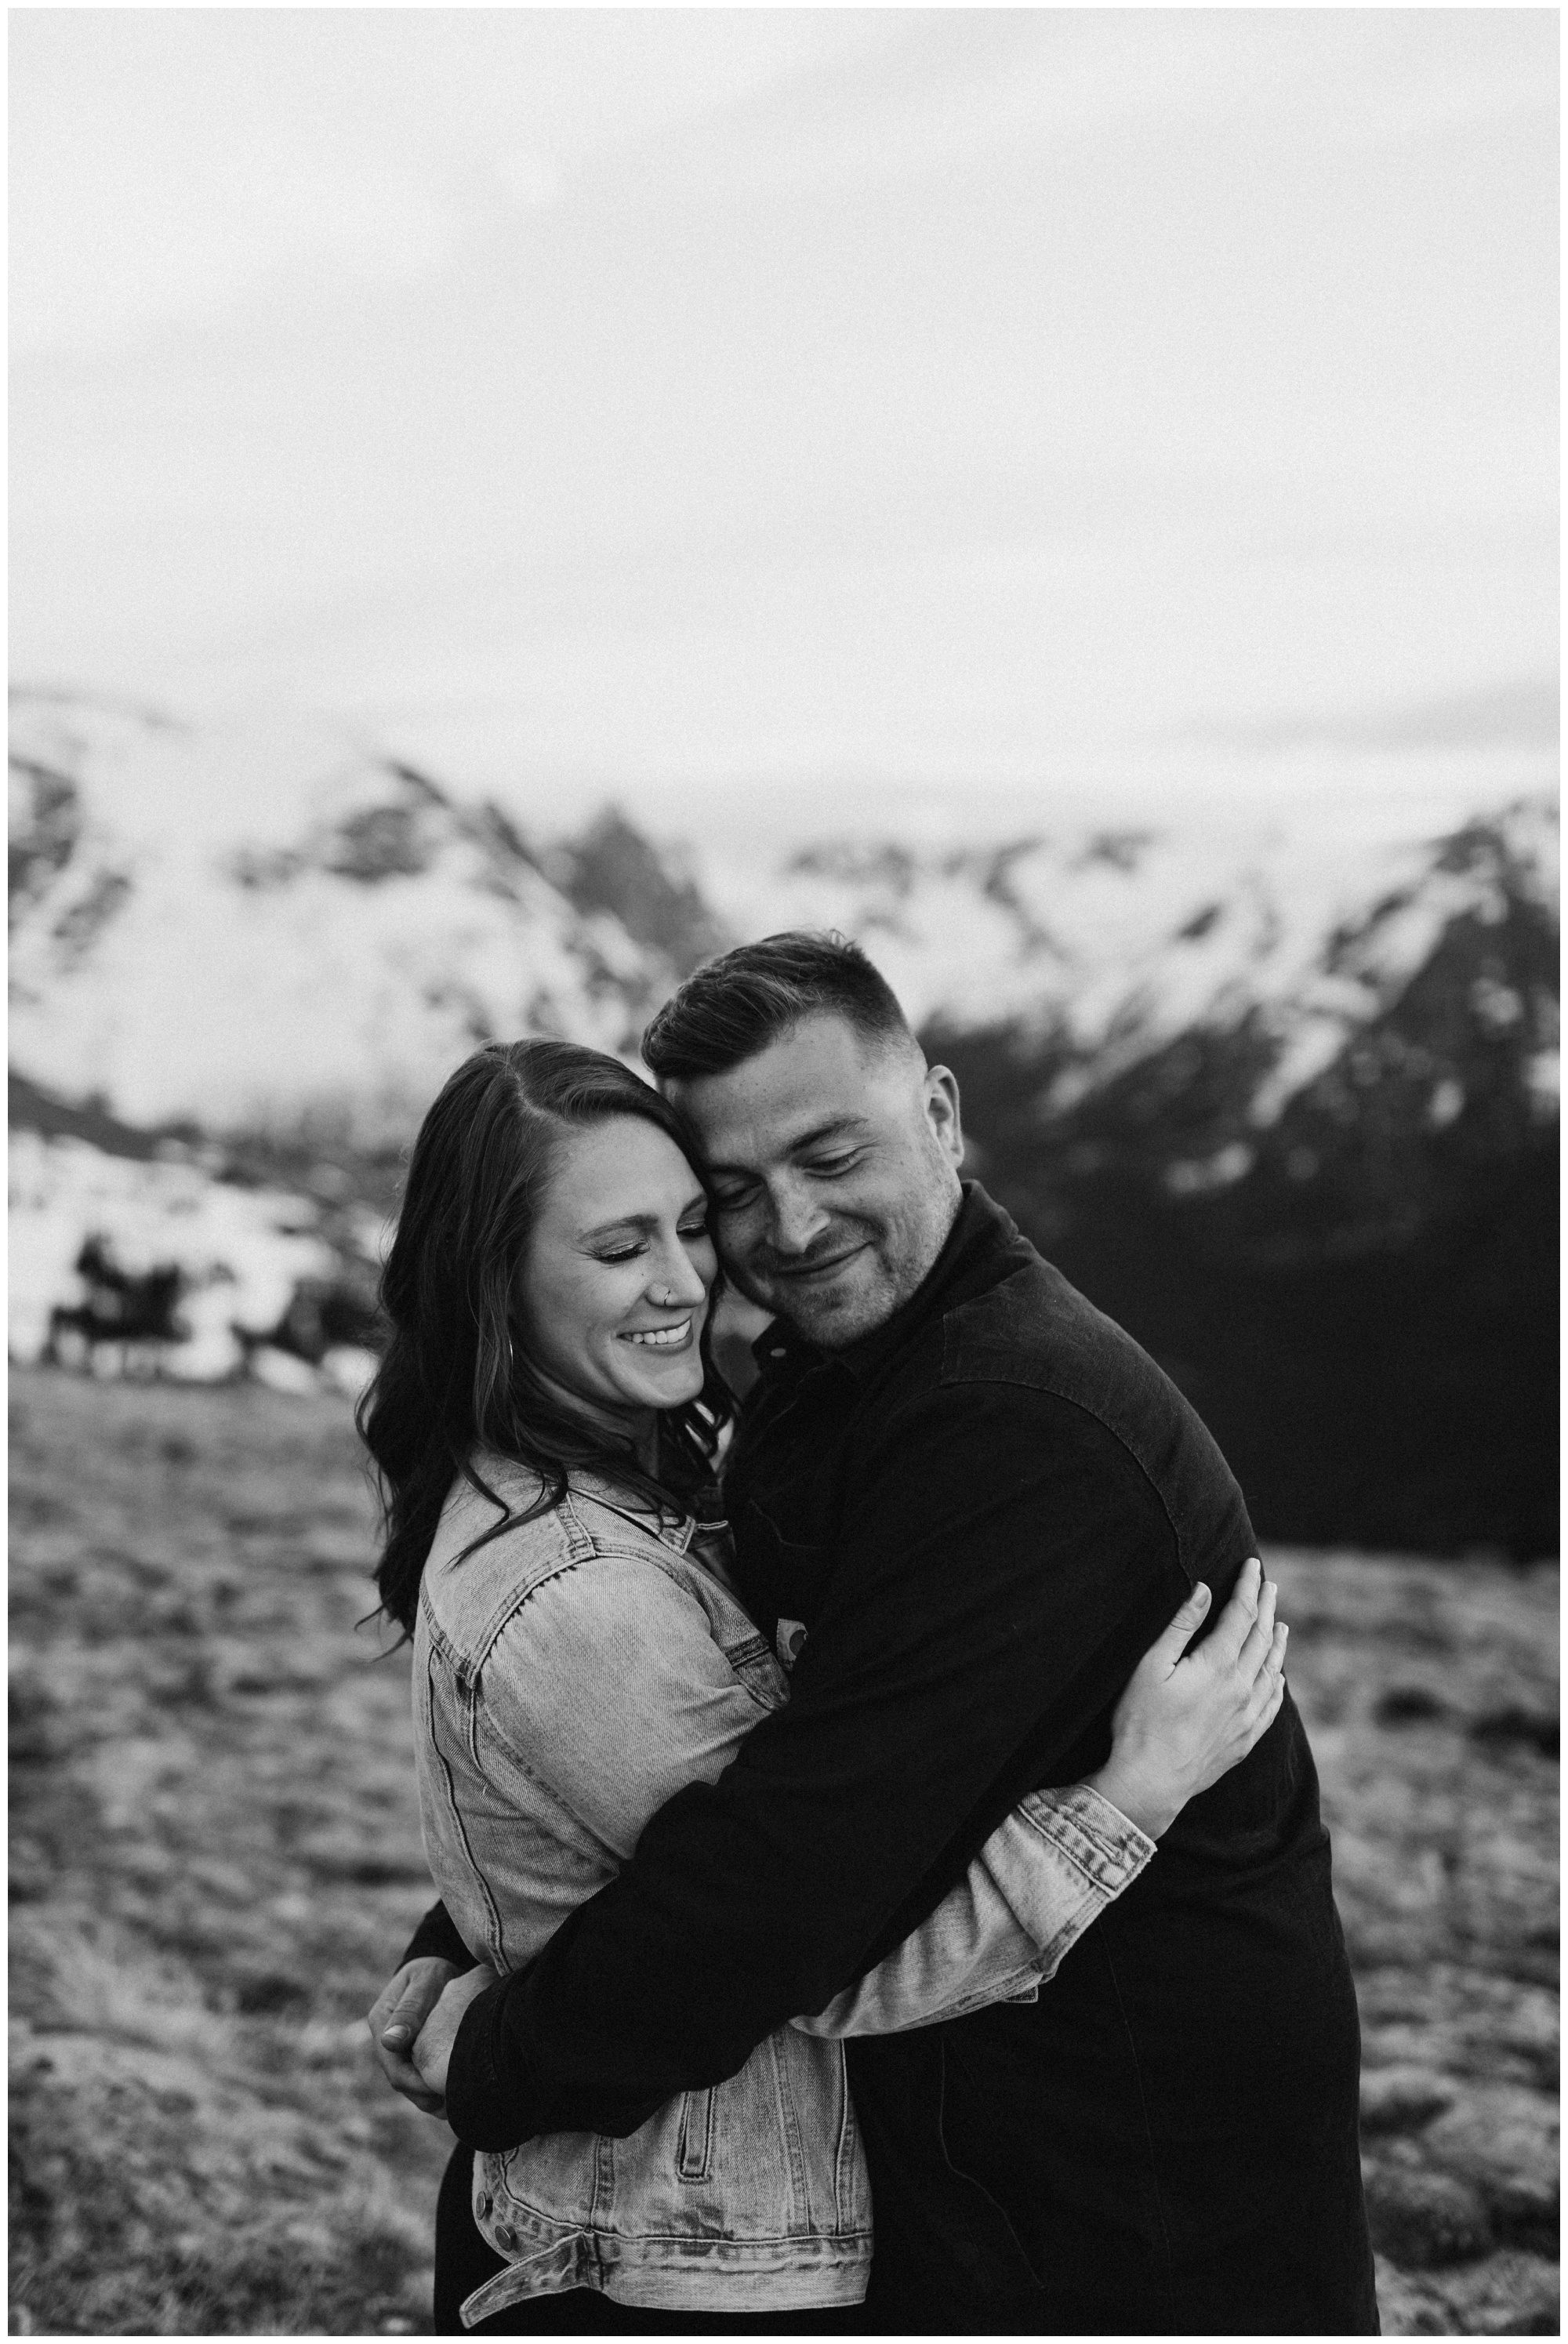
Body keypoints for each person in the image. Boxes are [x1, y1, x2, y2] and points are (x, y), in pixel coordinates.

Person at [382, 934, 1378, 2335]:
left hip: (1129, 2185)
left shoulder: (1017, 1426)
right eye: (733, 1192)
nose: (785, 1228)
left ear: (943, 1117)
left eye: (831, 1155)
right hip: (978, 2159)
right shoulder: (831, 1378)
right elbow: (716, 1778)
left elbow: (783, 1891)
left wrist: (495, 2053)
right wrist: (482, 1909)